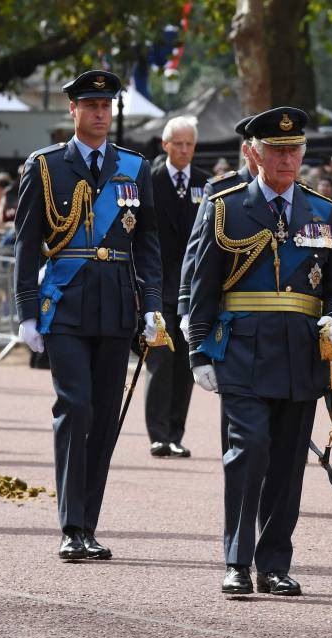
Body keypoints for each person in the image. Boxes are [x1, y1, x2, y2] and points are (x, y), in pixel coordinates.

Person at [187, 107, 332, 596]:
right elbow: (202, 286)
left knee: (286, 460)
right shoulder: (225, 207)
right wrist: (198, 350)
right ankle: (237, 560)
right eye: (276, 151)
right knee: (250, 450)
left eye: (294, 150)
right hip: (242, 349)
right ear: (252, 153)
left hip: (302, 355)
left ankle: (274, 561)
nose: (286, 159)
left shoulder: (322, 211)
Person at [13, 70, 164, 560]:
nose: (101, 113)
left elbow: (148, 243)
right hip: (67, 305)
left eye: (107, 105)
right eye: (91, 105)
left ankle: (88, 525)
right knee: (74, 408)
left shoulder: (135, 168)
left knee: (104, 418)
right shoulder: (45, 166)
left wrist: (153, 306)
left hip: (117, 305)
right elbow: (25, 244)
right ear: (73, 110)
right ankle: (70, 524)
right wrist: (27, 311)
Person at [177, 115, 257, 455]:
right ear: (248, 151)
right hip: (230, 314)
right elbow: (196, 253)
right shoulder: (221, 189)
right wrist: (186, 307)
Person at [145, 116, 209, 458]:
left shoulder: (205, 184)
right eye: (178, 144)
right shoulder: (151, 181)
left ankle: (175, 433)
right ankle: (158, 434)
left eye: (189, 144)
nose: (184, 150)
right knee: (160, 363)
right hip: (157, 284)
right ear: (165, 145)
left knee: (185, 366)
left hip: (191, 289)